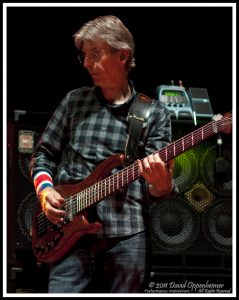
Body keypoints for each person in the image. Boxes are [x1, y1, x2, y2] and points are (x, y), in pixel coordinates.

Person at [30, 15, 176, 293]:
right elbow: (43, 154)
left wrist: (162, 183)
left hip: (127, 237)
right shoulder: (74, 101)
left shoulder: (154, 113)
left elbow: (156, 189)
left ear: (122, 55)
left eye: (95, 54)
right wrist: (45, 191)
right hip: (67, 232)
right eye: (84, 55)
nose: (86, 63)